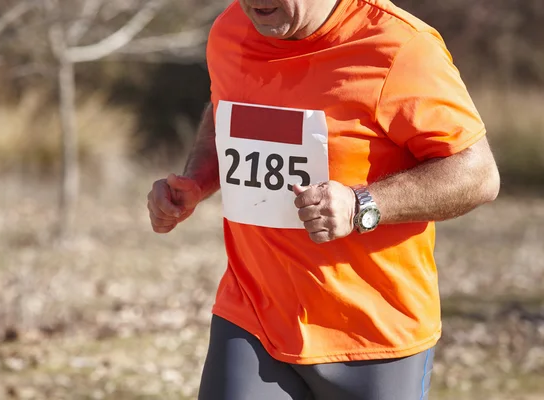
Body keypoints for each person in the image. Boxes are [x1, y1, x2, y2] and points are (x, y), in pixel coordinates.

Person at [147, 0, 501, 399]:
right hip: (253, 317)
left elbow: (478, 174)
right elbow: (224, 107)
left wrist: (361, 204)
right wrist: (197, 180)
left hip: (373, 334)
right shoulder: (231, 29)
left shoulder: (398, 46)